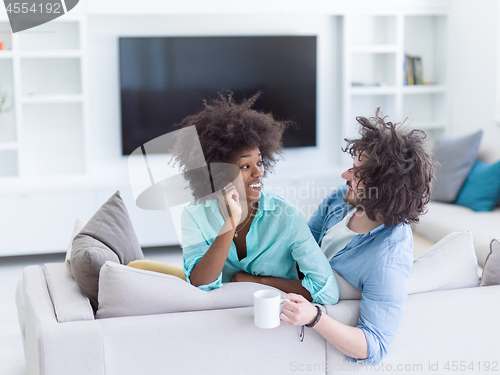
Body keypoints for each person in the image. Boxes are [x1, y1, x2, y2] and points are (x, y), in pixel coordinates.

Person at [280, 110, 434, 364]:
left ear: (385, 186)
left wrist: (314, 317)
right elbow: (301, 246)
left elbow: (373, 345)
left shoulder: (388, 257)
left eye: (357, 172)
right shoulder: (341, 199)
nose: (345, 176)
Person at [172, 91, 339, 305]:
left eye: (260, 162)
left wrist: (258, 281)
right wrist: (231, 222)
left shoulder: (286, 217)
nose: (259, 172)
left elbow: (327, 291)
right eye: (245, 166)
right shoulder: (194, 215)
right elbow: (199, 284)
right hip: (222, 319)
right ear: (218, 173)